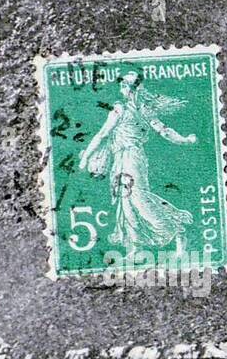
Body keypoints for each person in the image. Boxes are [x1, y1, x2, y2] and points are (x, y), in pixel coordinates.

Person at [79, 71, 196, 259]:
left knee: (139, 197)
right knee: (125, 200)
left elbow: (164, 131)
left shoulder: (140, 109)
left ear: (135, 88)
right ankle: (134, 247)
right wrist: (87, 157)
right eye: (122, 84)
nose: (123, 88)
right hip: (119, 158)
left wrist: (184, 140)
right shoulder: (121, 108)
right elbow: (103, 134)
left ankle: (176, 231)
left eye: (126, 85)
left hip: (133, 157)